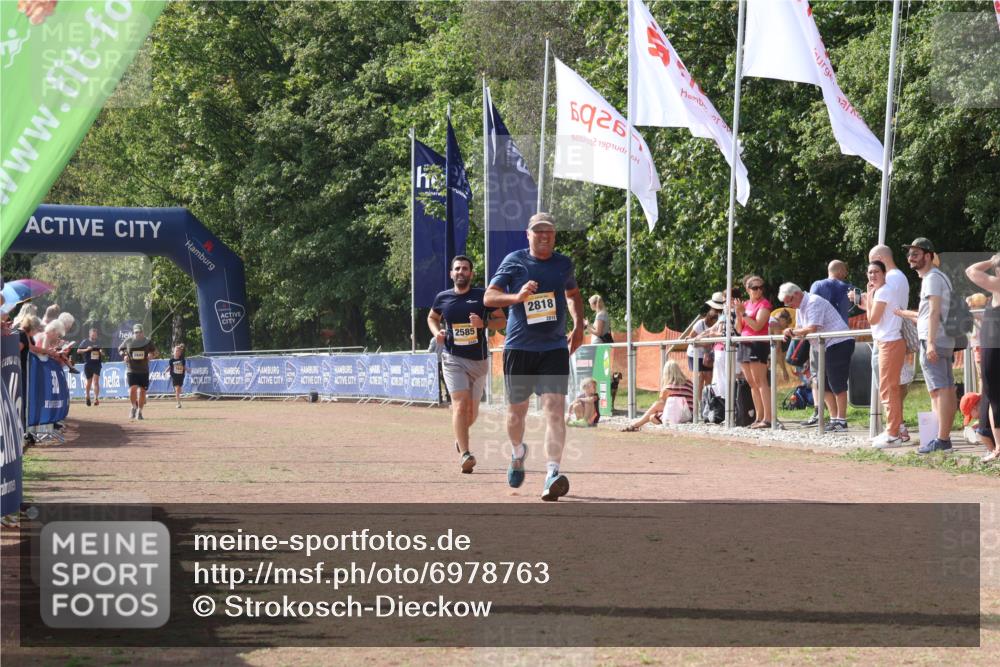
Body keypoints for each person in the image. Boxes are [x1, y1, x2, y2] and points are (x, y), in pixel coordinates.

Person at [485, 212, 585, 501]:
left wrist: (579, 325)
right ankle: (518, 453)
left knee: (555, 409)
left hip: (554, 347)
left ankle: (552, 473)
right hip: (519, 348)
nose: (544, 236)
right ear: (527, 235)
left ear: (554, 235)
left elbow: (573, 294)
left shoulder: (563, 264)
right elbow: (489, 297)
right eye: (538, 231)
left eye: (549, 232)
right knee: (517, 413)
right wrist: (516, 297)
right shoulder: (514, 261)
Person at [428, 255, 506, 473]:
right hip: (453, 358)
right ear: (451, 274)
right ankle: (465, 454)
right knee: (460, 405)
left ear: (471, 273)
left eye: (464, 269)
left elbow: (502, 320)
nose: (460, 272)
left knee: (472, 413)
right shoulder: (443, 298)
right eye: (457, 269)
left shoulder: (483, 296)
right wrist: (437, 333)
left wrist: (484, 324)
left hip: (478, 361)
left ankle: (459, 435)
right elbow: (432, 318)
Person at [896, 238, 957, 453]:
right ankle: (942, 438)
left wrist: (930, 343)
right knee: (945, 388)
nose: (910, 258)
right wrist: (903, 313)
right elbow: (926, 314)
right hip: (942, 339)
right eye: (909, 254)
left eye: (916, 254)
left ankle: (942, 440)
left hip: (934, 340)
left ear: (929, 256)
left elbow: (934, 312)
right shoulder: (940, 277)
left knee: (939, 390)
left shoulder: (931, 278)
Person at [779, 282, 855, 431]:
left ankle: (841, 421)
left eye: (790, 301)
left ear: (797, 294)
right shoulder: (800, 307)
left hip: (838, 343)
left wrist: (792, 332)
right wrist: (790, 330)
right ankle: (834, 419)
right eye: (786, 304)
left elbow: (812, 328)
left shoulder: (813, 302)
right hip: (823, 346)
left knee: (836, 383)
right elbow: (800, 328)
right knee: (822, 384)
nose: (790, 306)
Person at [865, 260, 907, 448]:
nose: (872, 275)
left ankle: (893, 433)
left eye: (876, 272)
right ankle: (892, 429)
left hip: (889, 343)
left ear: (883, 274)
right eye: (870, 272)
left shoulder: (882, 291)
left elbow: (872, 319)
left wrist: (868, 298)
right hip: (888, 342)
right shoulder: (882, 291)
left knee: (888, 389)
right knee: (889, 388)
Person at [965, 254, 1000, 462]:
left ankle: (998, 448)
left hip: (994, 346)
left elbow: (971, 271)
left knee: (994, 395)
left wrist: (991, 260)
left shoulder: (997, 284)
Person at [735, 275, 773, 429]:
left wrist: (743, 314)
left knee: (760, 381)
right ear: (748, 289)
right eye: (755, 288)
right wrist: (738, 314)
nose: (759, 290)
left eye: (761, 287)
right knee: (751, 383)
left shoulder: (764, 304)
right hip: (744, 343)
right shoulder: (745, 304)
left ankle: (768, 418)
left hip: (757, 344)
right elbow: (739, 329)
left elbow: (758, 326)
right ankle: (758, 417)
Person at [622, 360, 694, 431]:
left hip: (678, 415)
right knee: (652, 416)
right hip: (689, 415)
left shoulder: (668, 388)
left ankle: (636, 424)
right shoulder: (690, 383)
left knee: (656, 408)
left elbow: (663, 403)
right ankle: (639, 424)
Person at [118, 323, 157, 421]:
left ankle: (140, 412)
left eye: (140, 332)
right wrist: (124, 355)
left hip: (143, 370)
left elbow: (156, 352)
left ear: (143, 332)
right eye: (136, 332)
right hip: (132, 369)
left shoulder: (147, 342)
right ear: (133, 332)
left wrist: (152, 355)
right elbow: (120, 349)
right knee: (132, 389)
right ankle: (134, 407)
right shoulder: (128, 341)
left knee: (142, 391)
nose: (138, 334)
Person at [688, 294, 722, 389]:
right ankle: (697, 398)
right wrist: (704, 343)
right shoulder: (700, 323)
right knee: (699, 377)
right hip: (696, 353)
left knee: (709, 376)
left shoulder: (720, 322)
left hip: (709, 355)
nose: (716, 317)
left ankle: (707, 397)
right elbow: (691, 339)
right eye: (715, 312)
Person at [78, 328, 104, 406]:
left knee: (96, 381)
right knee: (89, 381)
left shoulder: (99, 342)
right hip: (88, 364)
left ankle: (96, 398)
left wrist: (101, 352)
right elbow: (78, 351)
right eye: (93, 335)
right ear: (89, 334)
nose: (94, 336)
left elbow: (102, 352)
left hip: (97, 364)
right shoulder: (85, 342)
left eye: (95, 335)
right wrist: (87, 349)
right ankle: (87, 396)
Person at [169, 343, 187, 408]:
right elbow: (170, 367)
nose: (177, 352)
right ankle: (178, 403)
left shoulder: (182, 360)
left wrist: (187, 369)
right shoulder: (171, 360)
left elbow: (183, 367)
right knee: (177, 389)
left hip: (181, 375)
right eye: (176, 351)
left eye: (178, 351)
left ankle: (178, 395)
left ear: (180, 353)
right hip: (174, 376)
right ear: (173, 352)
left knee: (179, 389)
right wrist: (166, 371)